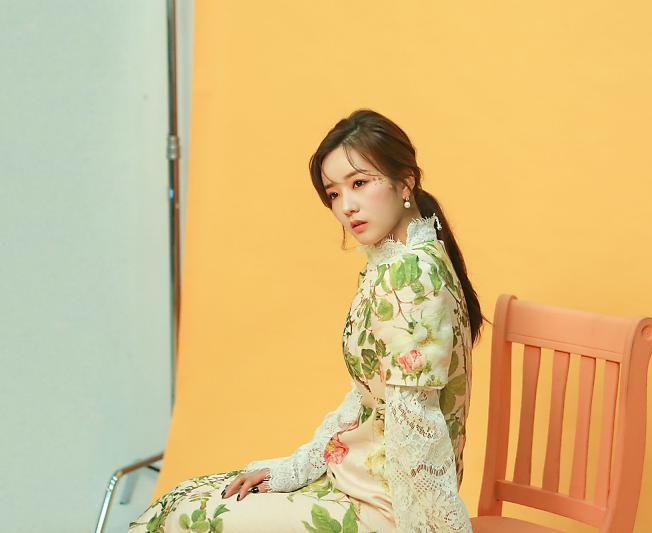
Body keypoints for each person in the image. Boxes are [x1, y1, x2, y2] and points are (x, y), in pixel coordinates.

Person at [129, 108, 488, 532]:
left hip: (385, 507)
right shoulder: (399, 260)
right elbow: (369, 399)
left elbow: (417, 427)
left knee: (187, 518)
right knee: (184, 499)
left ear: (405, 182)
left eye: (359, 183)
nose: (346, 207)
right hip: (356, 479)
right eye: (333, 194)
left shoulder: (410, 275)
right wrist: (297, 468)